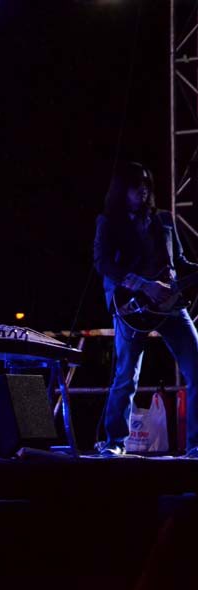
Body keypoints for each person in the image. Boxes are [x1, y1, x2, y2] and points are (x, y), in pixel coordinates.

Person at [93, 161, 198, 457]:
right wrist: (143, 285)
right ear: (121, 189)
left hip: (171, 306)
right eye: (135, 184)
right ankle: (115, 442)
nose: (143, 189)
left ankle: (195, 445)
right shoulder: (109, 222)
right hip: (132, 307)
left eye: (146, 184)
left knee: (197, 367)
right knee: (126, 376)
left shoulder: (164, 219)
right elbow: (103, 262)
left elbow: (179, 262)